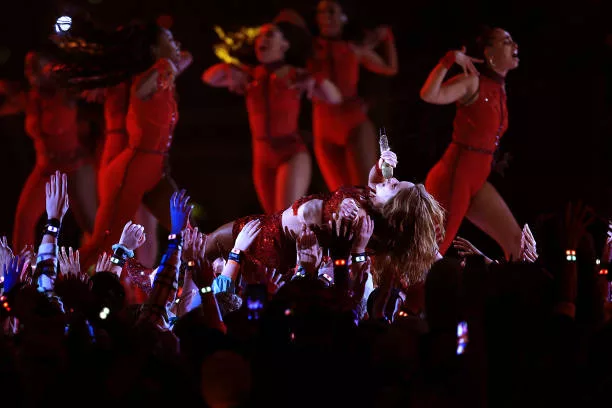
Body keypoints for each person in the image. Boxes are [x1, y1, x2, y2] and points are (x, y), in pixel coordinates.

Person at [52, 21, 186, 269]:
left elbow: (185, 58)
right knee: (103, 243)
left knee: (190, 236)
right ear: (155, 49)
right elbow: (142, 89)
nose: (176, 44)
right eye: (169, 39)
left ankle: (198, 295)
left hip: (156, 174)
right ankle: (50, 285)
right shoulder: (148, 76)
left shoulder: (165, 74)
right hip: (128, 172)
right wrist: (165, 65)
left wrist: (168, 64)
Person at [204, 149, 444, 287]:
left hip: (266, 240)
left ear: (392, 213)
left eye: (393, 186)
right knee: (204, 259)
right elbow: (374, 180)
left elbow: (322, 214)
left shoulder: (358, 218)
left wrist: (342, 206)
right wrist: (381, 166)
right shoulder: (373, 201)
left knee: (202, 254)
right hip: (271, 226)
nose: (389, 179)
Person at [203, 10, 342, 213]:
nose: (262, 38)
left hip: (291, 153)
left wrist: (316, 78)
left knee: (284, 217)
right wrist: (230, 69)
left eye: (270, 34)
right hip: (262, 156)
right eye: (261, 35)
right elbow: (209, 77)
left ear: (284, 46)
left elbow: (335, 97)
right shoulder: (250, 76)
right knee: (273, 222)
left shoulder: (295, 75)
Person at [420, 26, 522, 260]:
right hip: (454, 177)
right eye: (506, 41)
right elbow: (429, 94)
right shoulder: (472, 82)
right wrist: (449, 60)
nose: (515, 46)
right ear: (489, 52)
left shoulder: (500, 86)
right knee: (432, 255)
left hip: (476, 179)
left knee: (517, 244)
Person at [4, 51, 97, 250]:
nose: (32, 72)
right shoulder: (30, 99)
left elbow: (89, 88)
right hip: (45, 169)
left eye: (37, 66)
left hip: (73, 168)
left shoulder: (65, 94)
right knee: (25, 218)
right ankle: (22, 274)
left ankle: (120, 273)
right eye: (29, 67)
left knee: (91, 225)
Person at [309, 0, 398, 191]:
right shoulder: (309, 49)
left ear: (343, 17)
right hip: (323, 127)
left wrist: (387, 38)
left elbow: (390, 68)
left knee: (368, 190)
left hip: (353, 123)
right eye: (322, 12)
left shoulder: (353, 49)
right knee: (342, 197)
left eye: (332, 11)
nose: (327, 17)